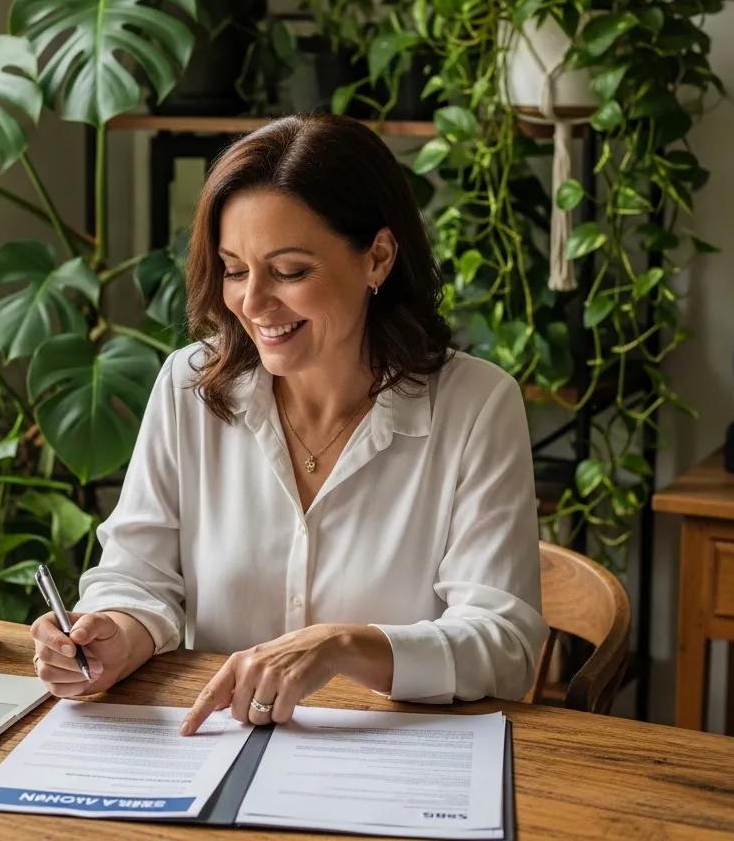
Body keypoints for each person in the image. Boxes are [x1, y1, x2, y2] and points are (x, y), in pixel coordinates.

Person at [30, 114, 548, 736]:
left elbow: (506, 645)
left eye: (290, 271)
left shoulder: (476, 406)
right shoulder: (189, 385)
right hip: (212, 750)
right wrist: (115, 631)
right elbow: (137, 575)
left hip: (392, 764)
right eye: (235, 268)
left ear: (377, 258)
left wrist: (340, 646)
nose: (251, 303)